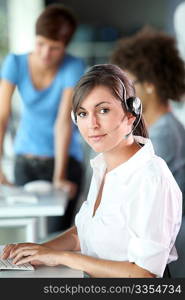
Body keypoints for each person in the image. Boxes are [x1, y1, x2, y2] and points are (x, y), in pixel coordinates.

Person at [1, 64, 182, 278]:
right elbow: (83, 235)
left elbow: (145, 274)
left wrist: (62, 258)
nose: (92, 124)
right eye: (83, 113)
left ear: (131, 114)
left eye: (103, 110)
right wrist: (39, 251)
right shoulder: (103, 166)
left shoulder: (151, 178)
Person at [0, 4, 86, 230]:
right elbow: (2, 117)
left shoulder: (73, 66)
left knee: (57, 234)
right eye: (41, 44)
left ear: (65, 46)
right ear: (34, 38)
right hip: (25, 161)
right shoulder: (15, 63)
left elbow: (63, 121)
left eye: (55, 48)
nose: (46, 53)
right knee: (27, 234)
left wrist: (59, 176)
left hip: (65, 162)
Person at [111, 27, 185, 215]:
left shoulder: (164, 133)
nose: (122, 92)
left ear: (150, 84)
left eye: (127, 83)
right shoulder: (151, 127)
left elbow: (130, 192)